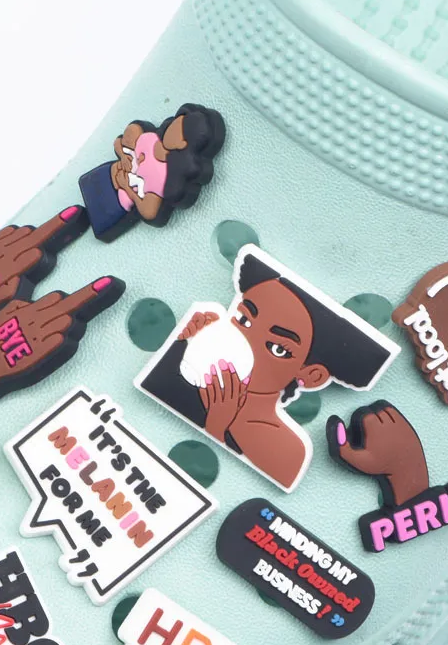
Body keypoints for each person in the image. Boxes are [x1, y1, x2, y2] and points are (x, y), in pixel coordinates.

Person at [139, 247, 400, 490]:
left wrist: (217, 426)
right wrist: (179, 346)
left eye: (278, 348)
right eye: (244, 319)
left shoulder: (287, 450)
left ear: (311, 375)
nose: (246, 341)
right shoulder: (184, 368)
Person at [78, 103, 225, 242]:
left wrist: (126, 187)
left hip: (112, 205)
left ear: (182, 143)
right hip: (101, 176)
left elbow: (149, 212)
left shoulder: (164, 180)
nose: (172, 124)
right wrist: (123, 156)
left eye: (177, 126)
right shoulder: (148, 138)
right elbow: (118, 142)